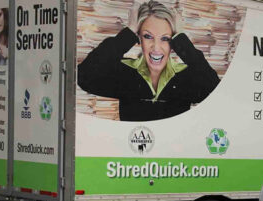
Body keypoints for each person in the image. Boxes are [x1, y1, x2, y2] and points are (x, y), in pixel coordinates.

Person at [77, 0, 220, 121]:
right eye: (148, 36)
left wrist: (182, 39)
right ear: (139, 38)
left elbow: (215, 92)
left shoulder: (187, 76)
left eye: (165, 39)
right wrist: (129, 31)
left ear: (173, 43)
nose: (156, 48)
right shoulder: (124, 73)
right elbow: (84, 76)